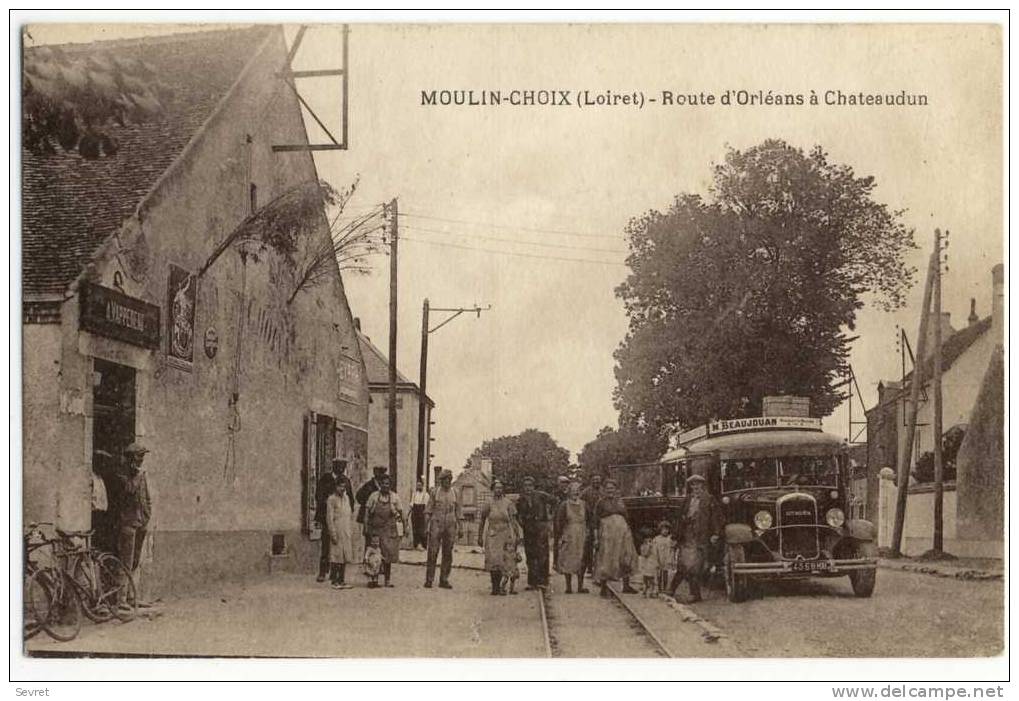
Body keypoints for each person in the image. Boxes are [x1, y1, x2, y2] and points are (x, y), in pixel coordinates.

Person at [667, 474, 724, 603]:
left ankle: (692, 594)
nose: (695, 487)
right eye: (693, 485)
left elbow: (716, 518)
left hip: (701, 537)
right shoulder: (687, 500)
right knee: (682, 564)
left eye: (698, 484)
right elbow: (679, 518)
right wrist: (676, 536)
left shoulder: (709, 499)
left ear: (702, 486)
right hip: (687, 536)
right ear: (690, 486)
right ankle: (673, 590)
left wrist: (715, 533)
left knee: (695, 567)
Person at [592, 478, 638, 597]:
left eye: (612, 488)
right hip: (607, 535)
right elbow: (595, 521)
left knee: (626, 556)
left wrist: (628, 532)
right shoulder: (600, 503)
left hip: (623, 534)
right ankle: (603, 587)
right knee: (607, 558)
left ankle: (626, 585)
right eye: (607, 488)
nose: (610, 491)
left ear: (616, 489)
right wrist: (596, 538)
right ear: (604, 490)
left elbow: (626, 518)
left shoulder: (620, 502)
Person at [477, 479, 521, 595]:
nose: (499, 490)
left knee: (504, 561)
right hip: (492, 535)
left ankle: (502, 586)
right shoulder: (488, 503)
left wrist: (518, 534)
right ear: (493, 489)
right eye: (496, 488)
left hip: (505, 535)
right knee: (494, 561)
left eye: (501, 488)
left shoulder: (508, 503)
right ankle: (495, 586)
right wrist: (480, 536)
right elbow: (482, 520)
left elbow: (513, 520)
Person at [315, 459, 355, 582]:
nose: (341, 469)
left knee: (339, 545)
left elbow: (351, 499)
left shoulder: (346, 481)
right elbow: (318, 496)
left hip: (341, 518)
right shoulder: (325, 479)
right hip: (327, 516)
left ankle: (334, 573)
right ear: (333, 466)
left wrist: (346, 513)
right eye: (338, 466)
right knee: (327, 544)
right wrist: (327, 508)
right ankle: (322, 572)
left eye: (343, 466)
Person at [116, 442, 152, 577]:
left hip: (141, 523)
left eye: (142, 457)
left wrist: (147, 515)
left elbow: (147, 498)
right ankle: (122, 598)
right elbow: (129, 490)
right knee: (126, 564)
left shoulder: (141, 475)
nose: (141, 460)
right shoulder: (123, 475)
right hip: (128, 524)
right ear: (131, 458)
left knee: (135, 562)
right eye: (139, 457)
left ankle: (131, 597)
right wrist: (137, 475)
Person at [363, 474, 404, 587]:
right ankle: (373, 580)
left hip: (388, 529)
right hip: (376, 529)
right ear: (380, 485)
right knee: (374, 556)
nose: (385, 486)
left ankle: (387, 580)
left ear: (390, 485)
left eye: (387, 484)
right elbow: (367, 512)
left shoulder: (395, 497)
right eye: (383, 484)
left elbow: (401, 513)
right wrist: (366, 526)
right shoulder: (374, 496)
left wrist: (405, 527)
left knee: (388, 555)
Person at [516, 475, 556, 591]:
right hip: (528, 529)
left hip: (541, 528)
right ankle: (532, 582)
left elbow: (554, 501)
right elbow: (518, 515)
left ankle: (543, 581)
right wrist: (522, 524)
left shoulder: (541, 495)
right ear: (523, 487)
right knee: (530, 554)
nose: (528, 488)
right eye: (525, 486)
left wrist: (549, 517)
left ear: (533, 486)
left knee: (542, 554)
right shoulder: (521, 500)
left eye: (530, 485)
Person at [424, 470, 462, 589]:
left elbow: (458, 512)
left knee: (448, 553)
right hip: (436, 523)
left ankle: (444, 579)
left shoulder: (455, 492)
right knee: (432, 552)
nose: (448, 482)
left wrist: (460, 528)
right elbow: (428, 510)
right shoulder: (435, 492)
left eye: (449, 479)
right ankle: (429, 579)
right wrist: (426, 526)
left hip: (450, 525)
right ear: (441, 481)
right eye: (445, 480)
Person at [554, 481, 589, 593]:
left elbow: (589, 519)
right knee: (568, 559)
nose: (576, 493)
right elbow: (559, 522)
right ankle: (568, 587)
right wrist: (560, 536)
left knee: (581, 559)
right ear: (569, 492)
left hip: (582, 534)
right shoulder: (564, 505)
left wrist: (588, 532)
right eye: (573, 491)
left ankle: (580, 586)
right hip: (569, 534)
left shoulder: (584, 504)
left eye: (577, 491)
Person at [326, 473, 356, 589]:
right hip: (337, 528)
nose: (342, 489)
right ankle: (335, 581)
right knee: (336, 556)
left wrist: (350, 529)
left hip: (346, 529)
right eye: (340, 486)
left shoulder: (347, 498)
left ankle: (342, 580)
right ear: (335, 486)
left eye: (344, 487)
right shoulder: (331, 499)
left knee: (344, 556)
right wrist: (332, 533)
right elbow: (329, 518)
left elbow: (348, 514)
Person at [580, 474, 604, 581]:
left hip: (601, 520)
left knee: (601, 544)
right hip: (589, 520)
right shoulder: (586, 492)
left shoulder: (603, 491)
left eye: (598, 481)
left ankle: (600, 568)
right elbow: (580, 503)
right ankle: (589, 568)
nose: (596, 482)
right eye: (594, 480)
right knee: (589, 545)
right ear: (591, 481)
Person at [90, 451, 111, 554]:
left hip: (102, 514)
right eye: (101, 462)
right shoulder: (91, 477)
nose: (103, 465)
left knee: (101, 542)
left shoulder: (100, 478)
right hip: (95, 514)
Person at [652, 520, 676, 595]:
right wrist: (656, 559)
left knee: (665, 573)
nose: (665, 531)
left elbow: (673, 548)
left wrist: (671, 558)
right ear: (660, 530)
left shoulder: (670, 538)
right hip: (659, 557)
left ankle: (665, 587)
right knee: (659, 573)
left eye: (667, 529)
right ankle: (659, 587)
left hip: (667, 558)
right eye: (663, 529)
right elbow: (654, 549)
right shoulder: (657, 539)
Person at [552, 475, 570, 569]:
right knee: (557, 541)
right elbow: (554, 507)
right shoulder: (556, 494)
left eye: (566, 483)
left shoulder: (570, 493)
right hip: (558, 519)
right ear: (558, 484)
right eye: (562, 483)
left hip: (569, 519)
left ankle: (566, 561)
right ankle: (556, 562)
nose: (564, 485)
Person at [637, 527, 657, 598]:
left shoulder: (650, 544)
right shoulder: (645, 544)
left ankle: (651, 591)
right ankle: (646, 591)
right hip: (646, 563)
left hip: (650, 563)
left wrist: (648, 546)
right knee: (646, 578)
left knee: (650, 578)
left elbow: (645, 553)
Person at [410, 479, 429, 549]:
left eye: (420, 485)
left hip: (422, 512)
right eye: (417, 485)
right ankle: (416, 544)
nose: (419, 487)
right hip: (415, 512)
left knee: (422, 529)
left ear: (423, 486)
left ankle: (423, 545)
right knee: (415, 529)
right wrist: (409, 514)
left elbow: (427, 506)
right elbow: (412, 504)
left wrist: (425, 514)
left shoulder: (426, 495)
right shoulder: (414, 494)